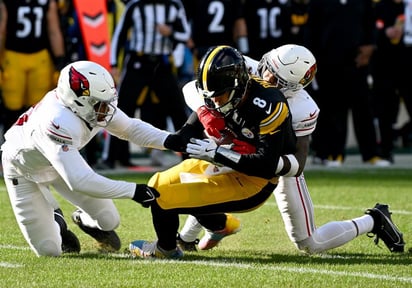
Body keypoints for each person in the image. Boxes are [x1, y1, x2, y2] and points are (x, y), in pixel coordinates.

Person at [176, 44, 406, 254]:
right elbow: (191, 89)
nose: (265, 78)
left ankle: (375, 220)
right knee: (205, 178)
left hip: (275, 158)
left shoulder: (302, 108)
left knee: (309, 243)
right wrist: (207, 116)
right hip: (237, 139)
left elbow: (297, 162)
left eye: (275, 80)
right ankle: (187, 237)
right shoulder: (242, 67)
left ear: (294, 87)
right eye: (267, 69)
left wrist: (258, 161)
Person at [127, 45, 297, 259]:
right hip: (223, 159)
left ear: (238, 85)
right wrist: (180, 137)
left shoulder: (269, 105)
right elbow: (187, 131)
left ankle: (165, 250)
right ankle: (221, 225)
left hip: (254, 181)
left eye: (220, 96)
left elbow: (266, 166)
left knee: (164, 198)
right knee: (157, 184)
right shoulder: (218, 94)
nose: (215, 102)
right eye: (210, 97)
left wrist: (217, 153)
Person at [0, 60, 186, 257]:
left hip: (60, 162)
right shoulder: (57, 119)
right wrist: (134, 191)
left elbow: (130, 128)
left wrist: (170, 140)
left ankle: (83, 220)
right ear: (78, 101)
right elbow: (79, 180)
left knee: (109, 220)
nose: (107, 109)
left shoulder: (88, 106)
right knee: (49, 250)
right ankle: (58, 223)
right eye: (100, 104)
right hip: (23, 171)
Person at [304, 0, 391, 167]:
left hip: (358, 62)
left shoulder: (362, 3)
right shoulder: (319, 3)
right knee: (334, 110)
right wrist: (311, 61)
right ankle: (334, 153)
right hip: (329, 63)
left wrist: (370, 47)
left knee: (364, 109)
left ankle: (371, 153)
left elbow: (370, 24)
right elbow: (311, 31)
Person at [106, 0, 191, 168]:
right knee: (122, 109)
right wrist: (114, 63)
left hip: (162, 63)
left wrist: (170, 32)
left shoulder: (174, 5)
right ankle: (114, 157)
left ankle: (189, 156)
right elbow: (120, 34)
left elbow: (186, 35)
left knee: (177, 111)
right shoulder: (135, 6)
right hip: (138, 61)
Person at [0, 0, 66, 137]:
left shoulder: (48, 3)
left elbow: (53, 30)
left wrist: (60, 62)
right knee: (12, 108)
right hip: (13, 57)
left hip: (39, 57)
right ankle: (9, 149)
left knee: (38, 109)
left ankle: (33, 149)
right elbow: (2, 30)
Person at [371, 0, 412, 162]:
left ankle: (400, 133)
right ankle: (386, 149)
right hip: (385, 63)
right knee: (385, 108)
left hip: (408, 60)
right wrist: (385, 32)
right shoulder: (382, 7)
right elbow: (373, 28)